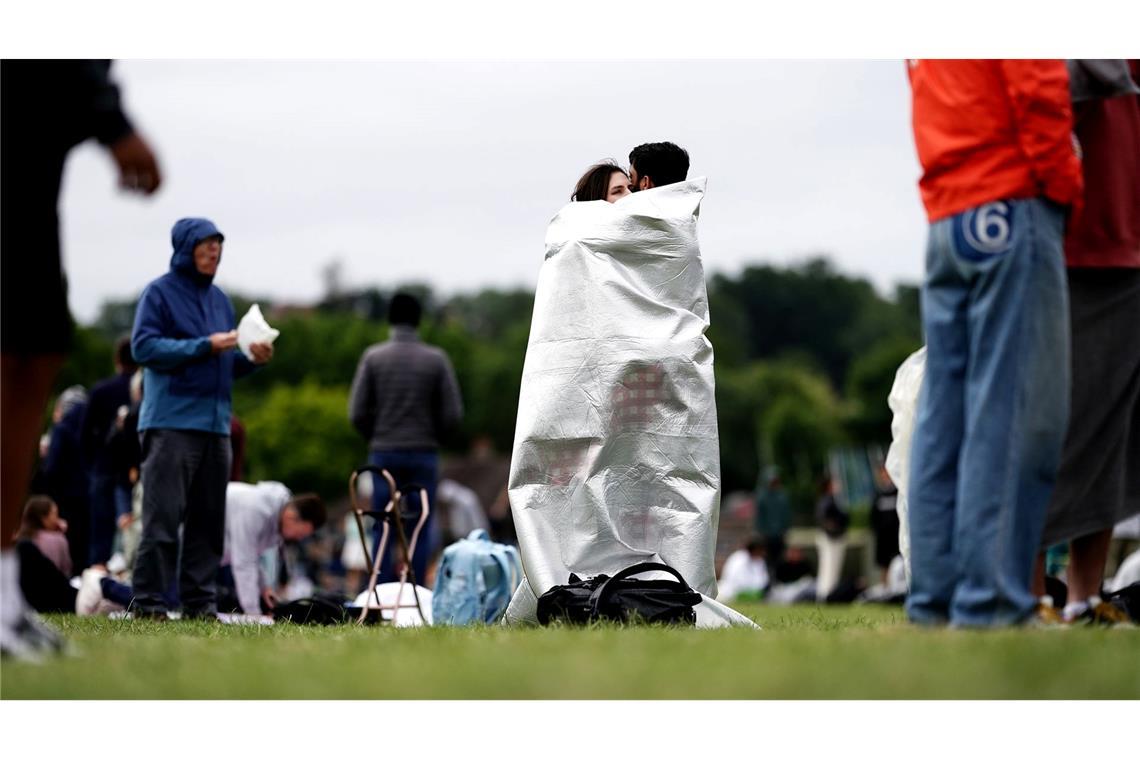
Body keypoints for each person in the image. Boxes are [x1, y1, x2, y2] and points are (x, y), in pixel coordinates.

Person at [905, 60, 1082, 627]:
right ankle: (993, 605)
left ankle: (936, 603)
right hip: (1011, 199)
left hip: (949, 212)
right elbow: (1037, 82)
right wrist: (1063, 186)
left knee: (943, 420)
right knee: (1015, 412)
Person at [2, 60, 161, 658]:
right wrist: (112, 120)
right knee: (18, 361)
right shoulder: (104, 396)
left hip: (36, 163)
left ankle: (4, 602)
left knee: (32, 354)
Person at [1034, 60, 1140, 625]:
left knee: (1111, 431)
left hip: (1125, 239)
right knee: (1046, 425)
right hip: (1069, 236)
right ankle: (1031, 598)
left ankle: (1082, 597)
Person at [130, 217, 274, 620]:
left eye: (218, 245)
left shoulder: (220, 301)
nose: (214, 252)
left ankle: (200, 604)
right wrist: (205, 345)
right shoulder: (158, 293)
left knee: (209, 525)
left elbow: (225, 361)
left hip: (216, 427)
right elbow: (144, 348)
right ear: (184, 248)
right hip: (171, 423)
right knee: (163, 520)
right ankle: (149, 603)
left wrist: (252, 359)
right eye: (206, 245)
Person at [348, 292, 464, 586]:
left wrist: (376, 436)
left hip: (384, 452)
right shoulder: (436, 359)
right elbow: (453, 413)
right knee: (422, 523)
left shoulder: (373, 358)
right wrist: (434, 437)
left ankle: (382, 591)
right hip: (423, 452)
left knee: (383, 524)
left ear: (389, 319)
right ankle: (414, 590)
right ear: (419, 320)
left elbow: (356, 412)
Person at [219, 482, 326, 616]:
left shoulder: (275, 520)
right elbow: (244, 562)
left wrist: (264, 587)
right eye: (300, 534)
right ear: (290, 517)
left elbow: (252, 557)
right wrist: (253, 614)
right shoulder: (255, 509)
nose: (298, 539)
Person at [80, 337, 138, 567]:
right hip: (134, 469)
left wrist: (90, 466)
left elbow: (84, 435)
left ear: (117, 360)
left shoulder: (101, 391)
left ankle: (98, 584)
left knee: (101, 536)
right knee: (134, 532)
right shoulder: (143, 391)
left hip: (104, 466)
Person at [40, 386, 91, 578]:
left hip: (63, 496)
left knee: (65, 540)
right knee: (82, 543)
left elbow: (53, 467)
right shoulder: (90, 429)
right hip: (87, 495)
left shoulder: (61, 430)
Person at [814, 475, 849, 602]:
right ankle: (826, 595)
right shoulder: (827, 500)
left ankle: (827, 595)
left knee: (830, 568)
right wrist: (834, 530)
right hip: (830, 539)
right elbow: (826, 520)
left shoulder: (831, 500)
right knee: (829, 567)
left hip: (830, 538)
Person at [870, 465, 900, 585]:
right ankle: (885, 587)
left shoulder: (897, 492)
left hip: (895, 535)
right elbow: (873, 517)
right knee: (884, 565)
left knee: (897, 563)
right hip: (883, 537)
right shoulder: (878, 494)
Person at [754, 468, 791, 564]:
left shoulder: (782, 497)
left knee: (780, 559)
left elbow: (786, 515)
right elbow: (760, 517)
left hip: (779, 534)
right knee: (767, 559)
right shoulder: (762, 497)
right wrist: (762, 531)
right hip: (767, 536)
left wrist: (785, 529)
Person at [717, 536, 770, 601]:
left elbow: (763, 580)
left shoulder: (760, 561)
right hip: (731, 592)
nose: (763, 553)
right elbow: (734, 579)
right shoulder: (739, 558)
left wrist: (755, 591)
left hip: (753, 594)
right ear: (756, 549)